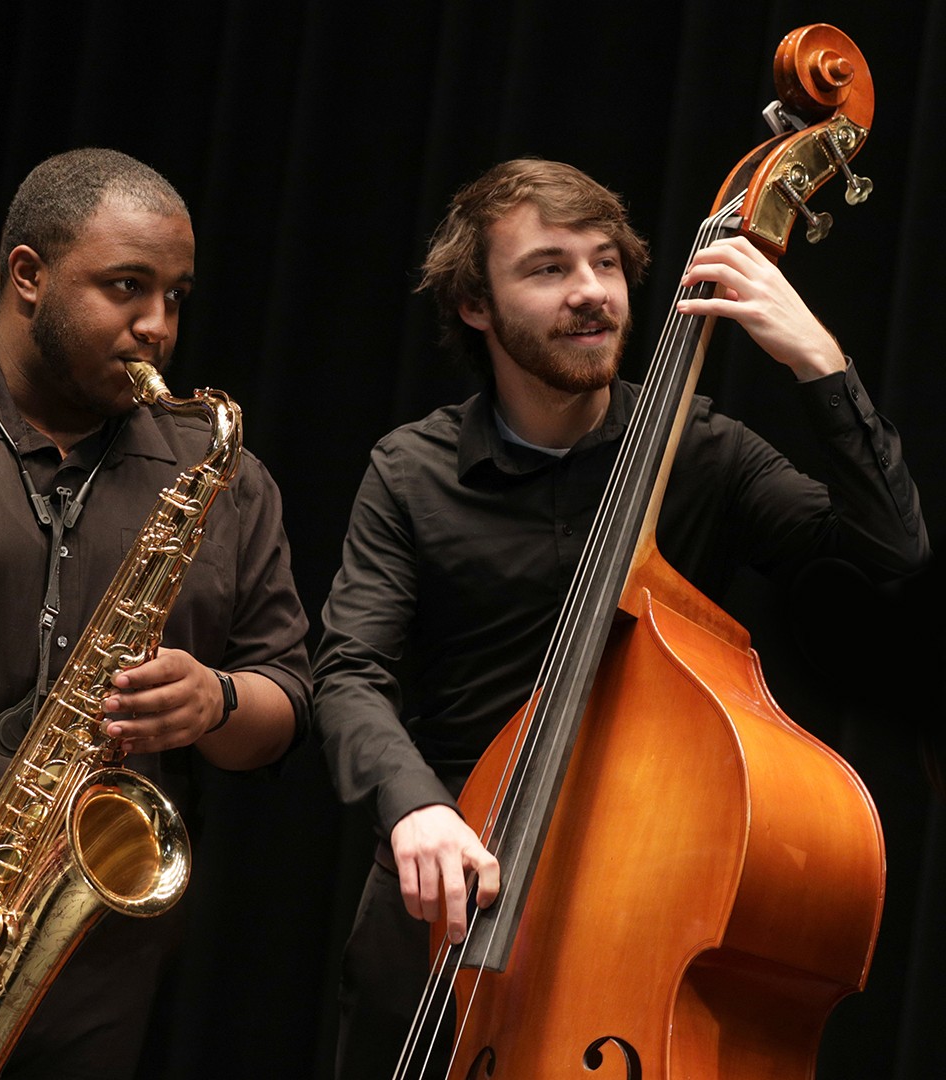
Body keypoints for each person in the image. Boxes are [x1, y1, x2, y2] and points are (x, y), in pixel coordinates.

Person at [311, 157, 931, 1078]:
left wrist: (821, 364)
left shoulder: (704, 452)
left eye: (606, 262)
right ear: (474, 304)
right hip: (446, 898)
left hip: (642, 905)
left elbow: (892, 562)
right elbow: (349, 671)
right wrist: (417, 810)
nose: (591, 292)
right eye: (549, 268)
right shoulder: (411, 471)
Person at [0, 148, 312, 1079]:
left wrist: (218, 701)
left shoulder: (220, 475)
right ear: (28, 276)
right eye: (126, 288)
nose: (158, 326)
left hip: (89, 978)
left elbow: (285, 702)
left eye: (177, 296)